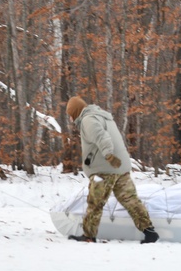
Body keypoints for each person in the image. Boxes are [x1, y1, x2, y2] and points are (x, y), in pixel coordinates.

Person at [65, 96, 158, 244]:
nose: (70, 118)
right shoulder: (102, 116)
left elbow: (103, 138)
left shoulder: (88, 120)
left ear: (75, 112)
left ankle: (89, 236)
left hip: (105, 168)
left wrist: (109, 155)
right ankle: (150, 232)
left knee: (95, 202)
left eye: (70, 114)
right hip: (120, 167)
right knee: (130, 200)